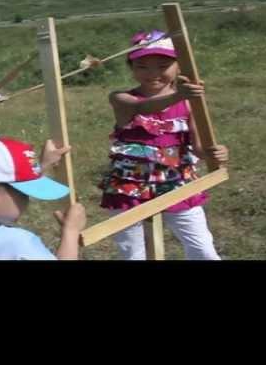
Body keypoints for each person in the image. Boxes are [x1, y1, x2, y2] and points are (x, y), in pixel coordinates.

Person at [98, 30, 229, 260]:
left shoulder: (189, 103)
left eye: (162, 65)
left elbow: (200, 148)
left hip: (178, 183)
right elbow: (143, 108)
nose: (153, 73)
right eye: (143, 66)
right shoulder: (121, 98)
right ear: (131, 68)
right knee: (133, 254)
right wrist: (179, 95)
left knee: (203, 249)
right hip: (129, 187)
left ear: (178, 66)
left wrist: (216, 152)